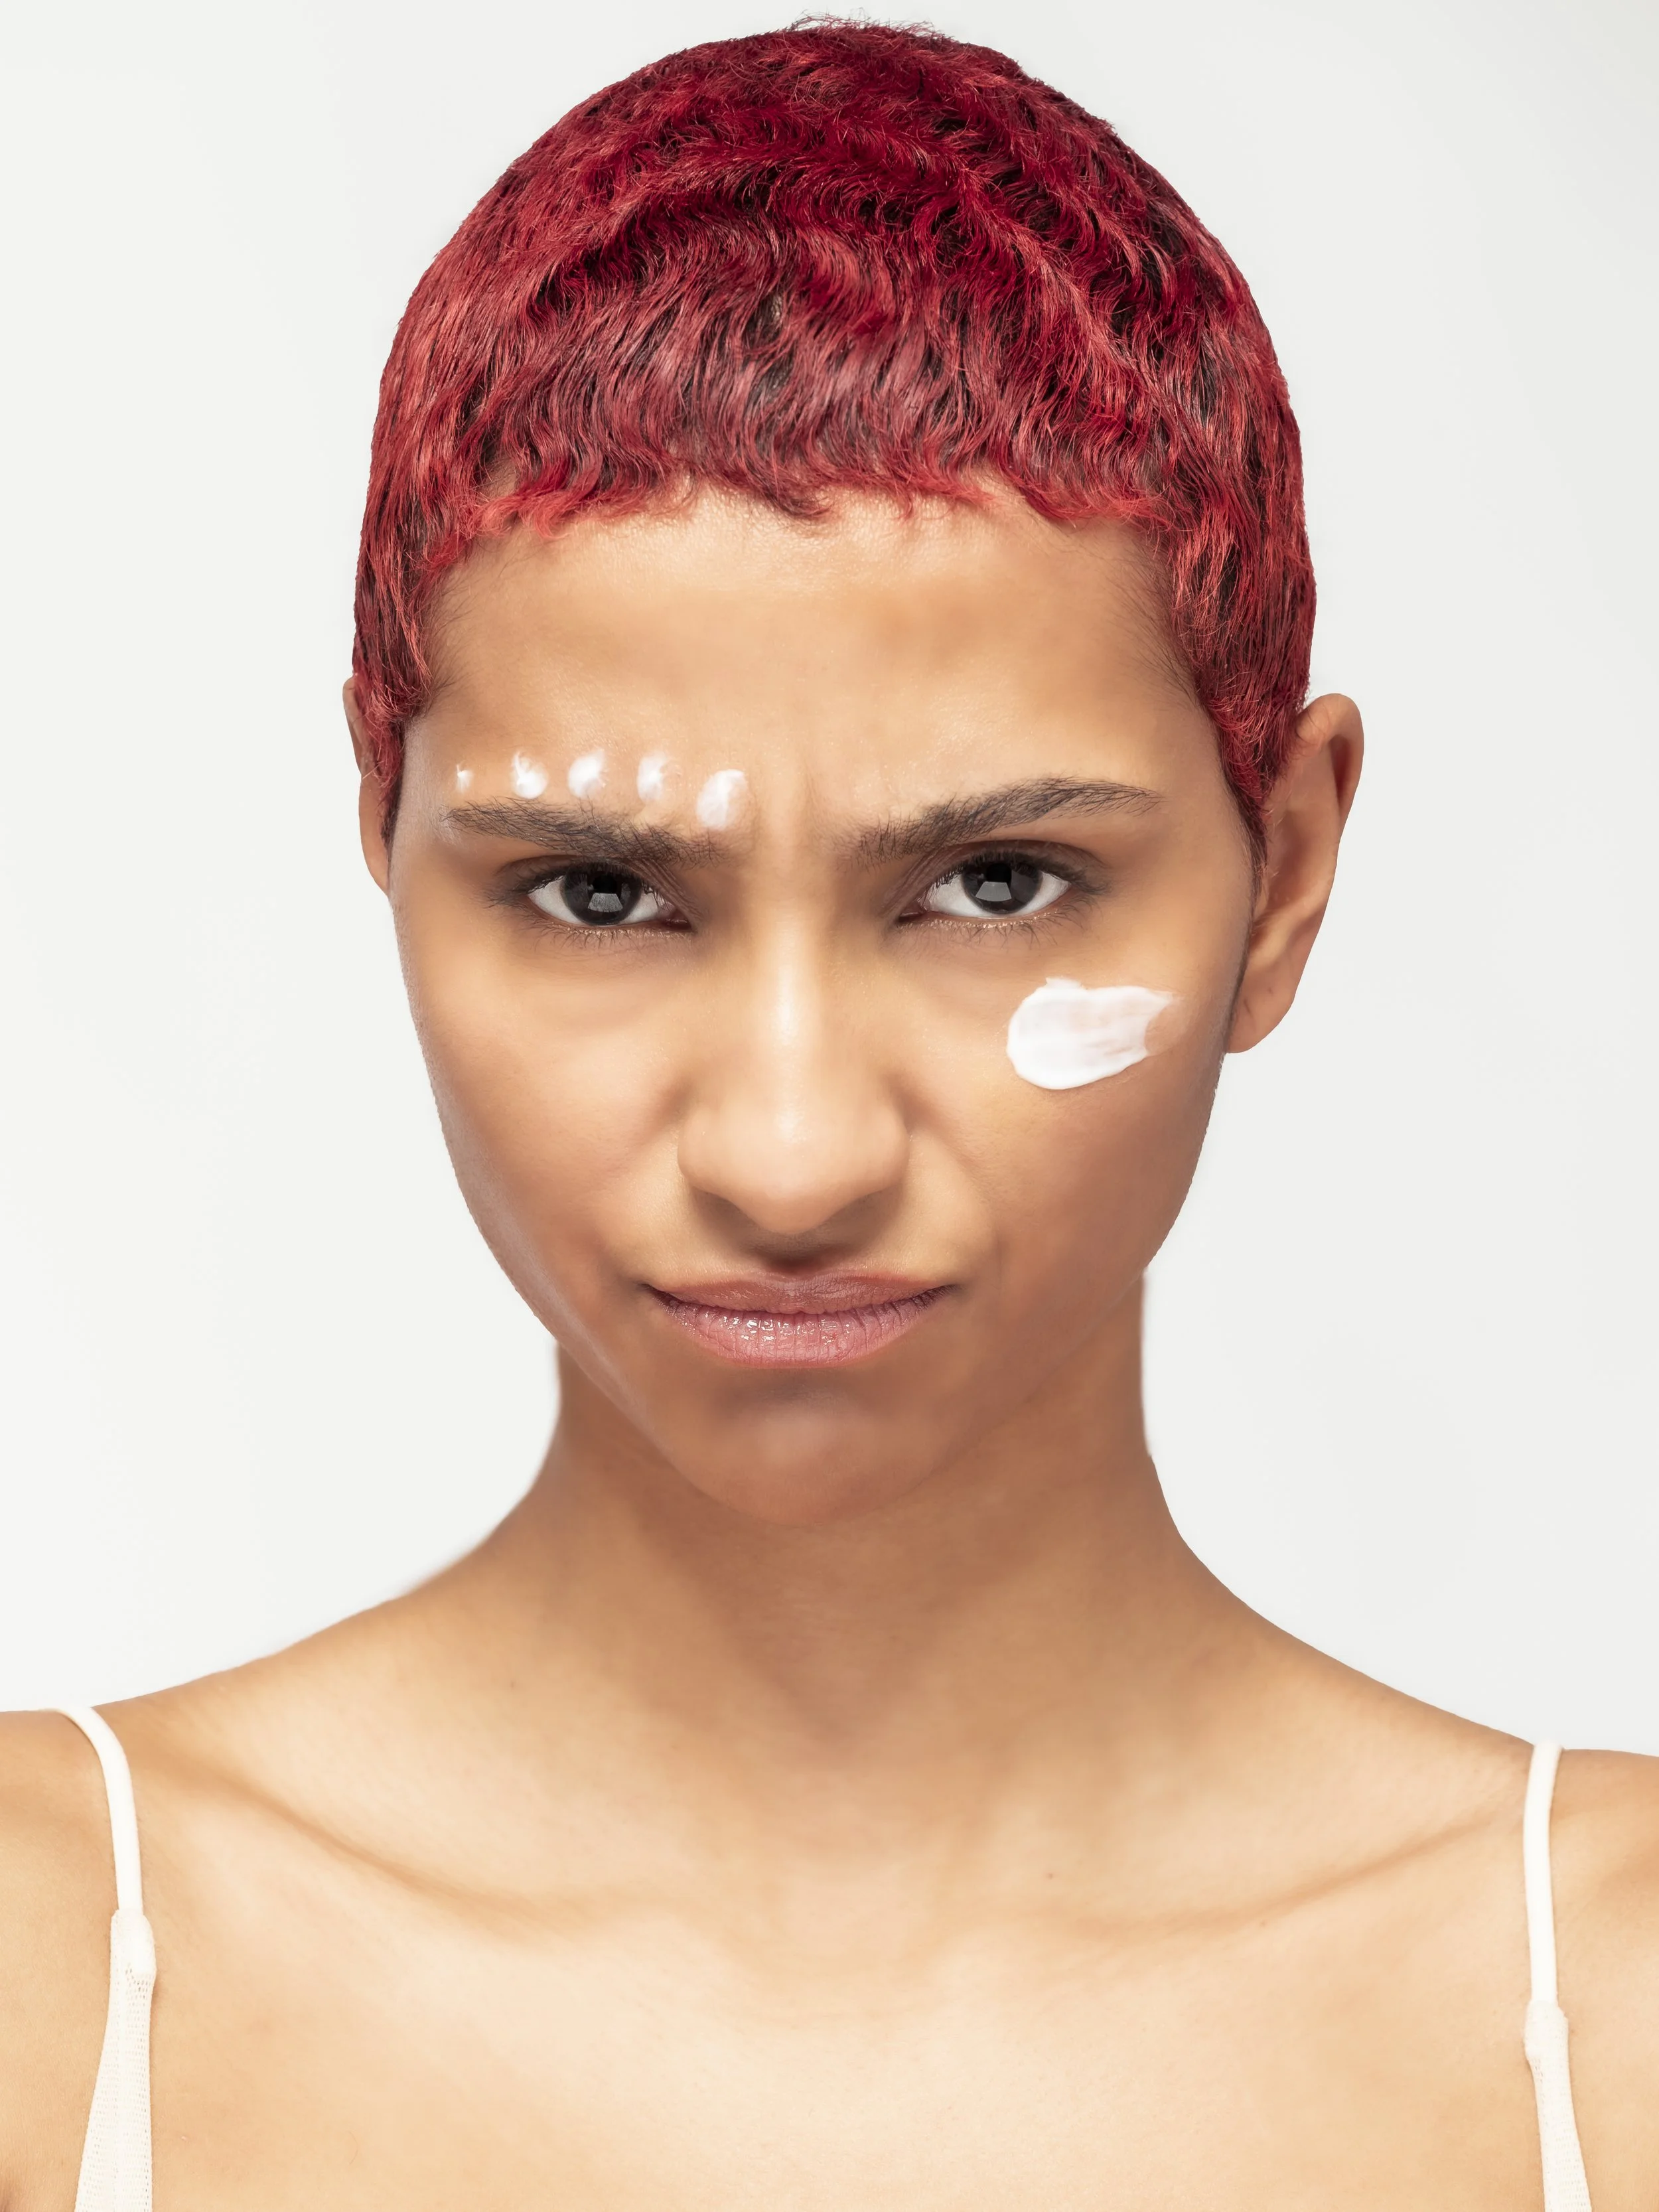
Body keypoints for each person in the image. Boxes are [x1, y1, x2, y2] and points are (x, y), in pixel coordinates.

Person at [1, 20, 1654, 2209]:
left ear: (1289, 874)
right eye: (599, 892)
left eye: (995, 884)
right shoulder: (53, 1975)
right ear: (378, 833)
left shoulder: (1606, 2009)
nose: (791, 1155)